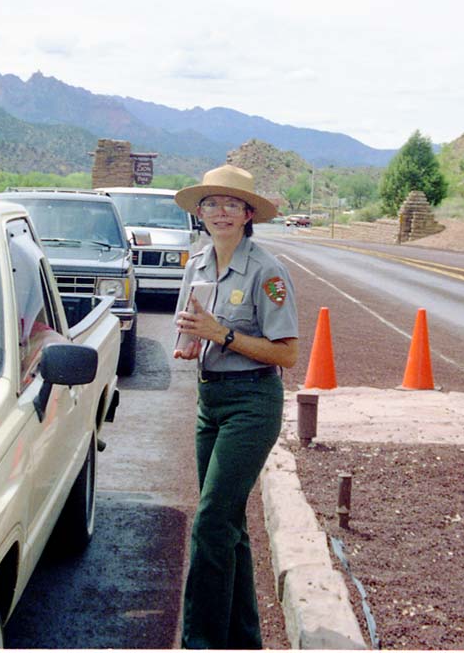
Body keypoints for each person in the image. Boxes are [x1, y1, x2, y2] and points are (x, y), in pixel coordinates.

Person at [172, 164, 299, 649]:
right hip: (211, 400)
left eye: (231, 204)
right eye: (210, 203)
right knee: (228, 524)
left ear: (249, 214)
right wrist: (191, 344)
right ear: (199, 212)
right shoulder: (196, 266)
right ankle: (242, 640)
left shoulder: (268, 271)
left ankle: (199, 642)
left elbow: (287, 353)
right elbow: (191, 333)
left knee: (210, 524)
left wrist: (223, 335)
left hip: (252, 401)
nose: (220, 212)